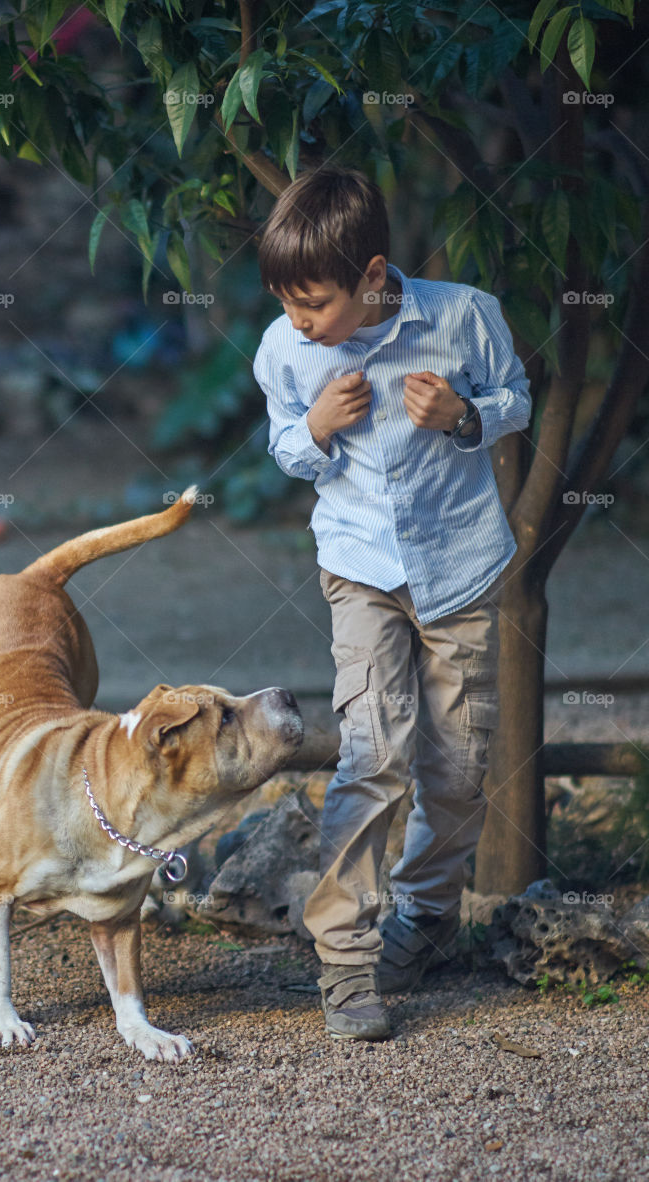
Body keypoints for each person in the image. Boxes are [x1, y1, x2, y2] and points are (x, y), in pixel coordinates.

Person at [253, 163, 531, 1040]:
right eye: (289, 304)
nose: (301, 322)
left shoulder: (463, 316)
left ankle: (424, 913)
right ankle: (344, 959)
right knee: (372, 751)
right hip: (360, 567)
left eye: (317, 303)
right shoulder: (286, 349)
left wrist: (461, 415)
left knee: (456, 766)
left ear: (373, 276)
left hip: (459, 568)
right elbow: (285, 450)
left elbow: (516, 400)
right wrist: (316, 431)